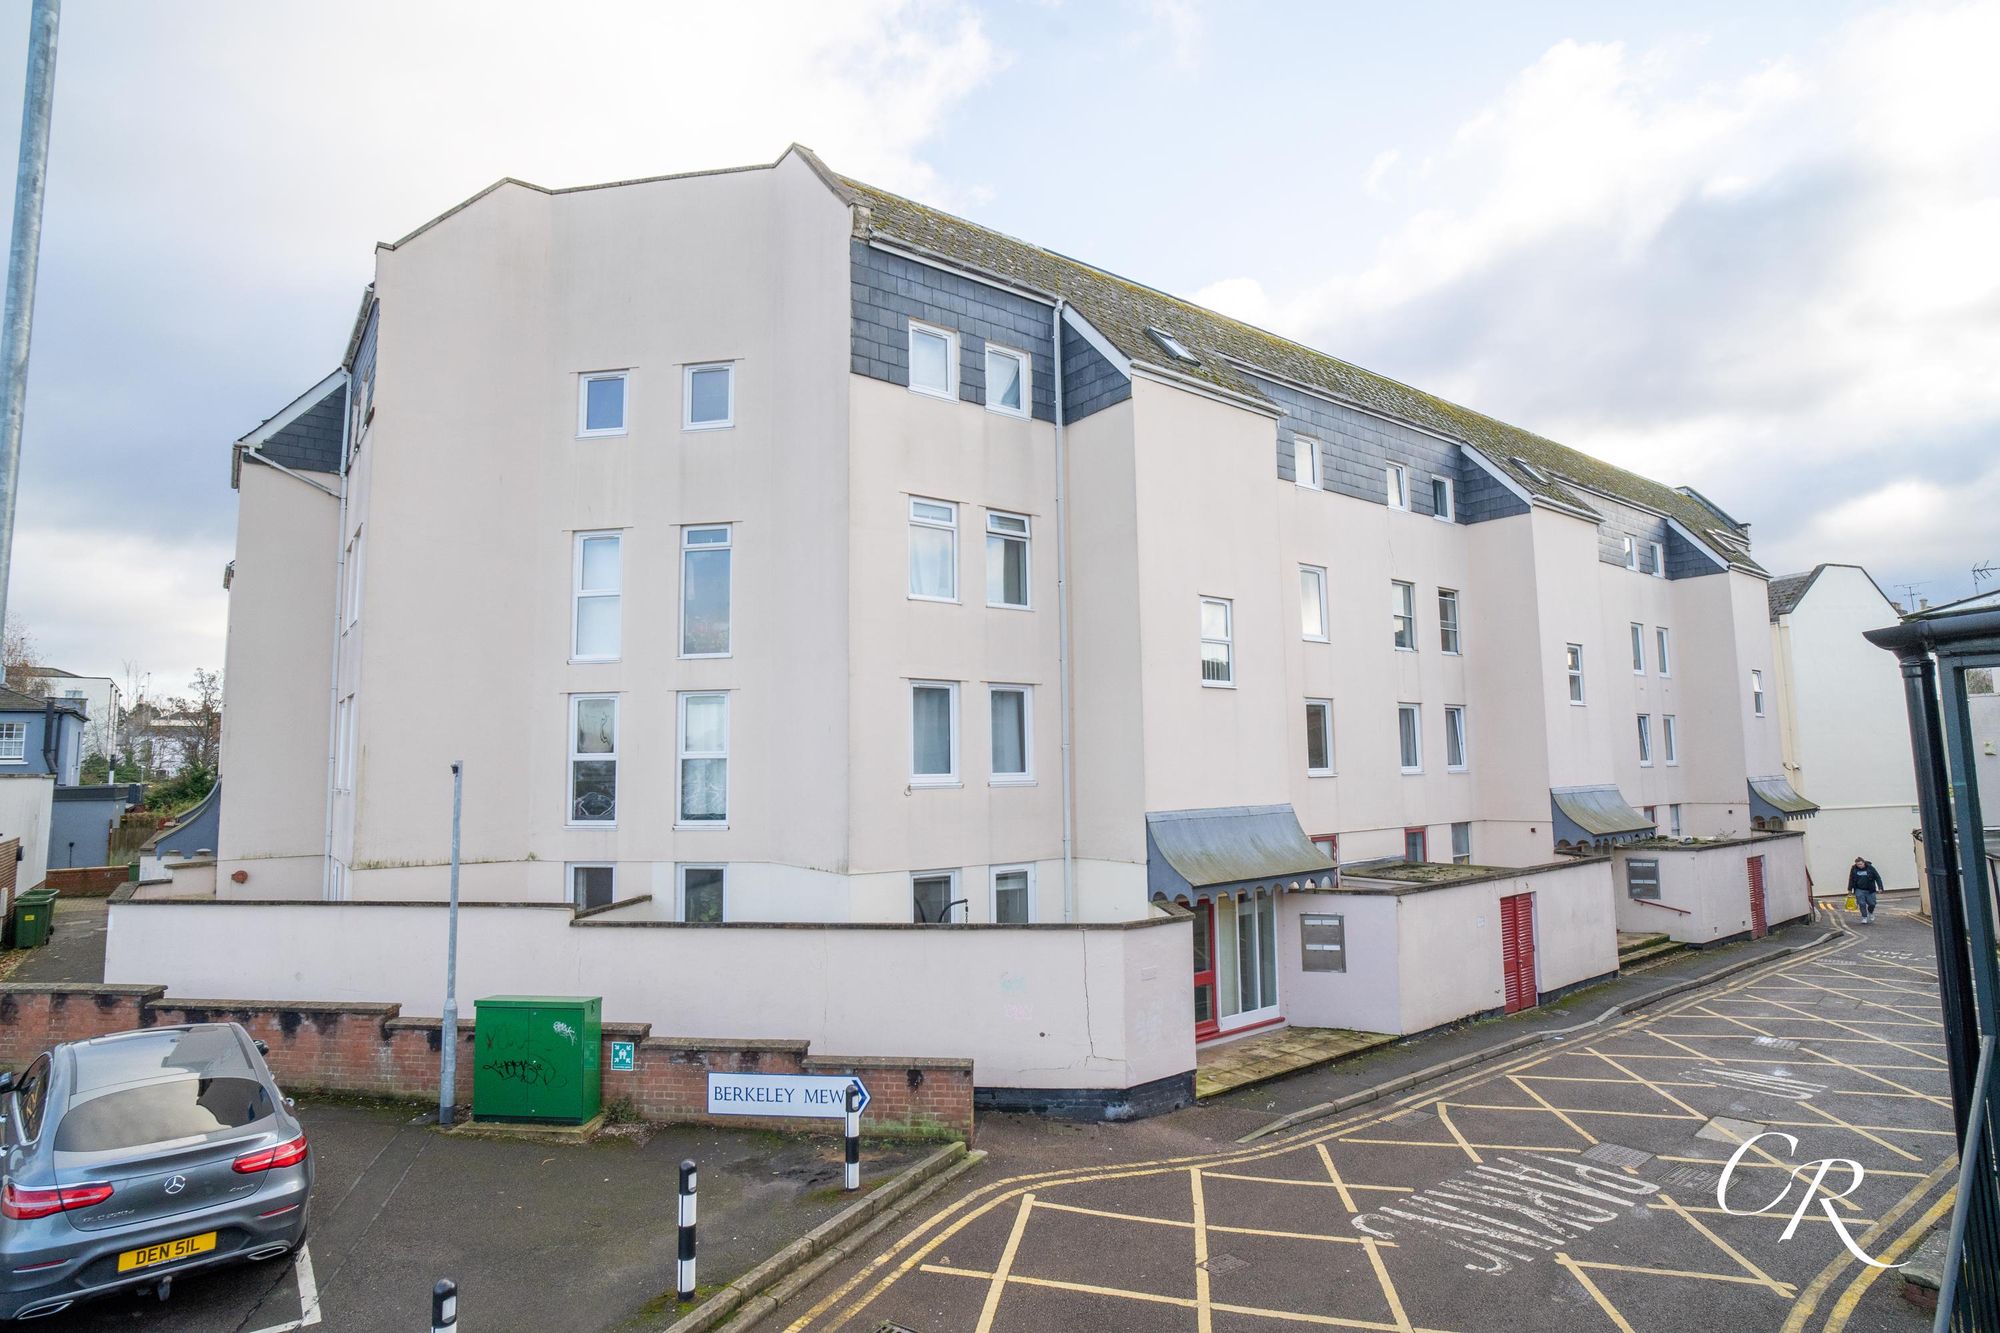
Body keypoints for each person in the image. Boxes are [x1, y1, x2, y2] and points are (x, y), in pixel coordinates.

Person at [1848, 856, 1884, 924]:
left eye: (1861, 864)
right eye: (1858, 864)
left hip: (1870, 890)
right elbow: (1851, 879)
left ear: (1864, 863)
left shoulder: (1870, 868)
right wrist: (1850, 889)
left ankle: (1870, 912)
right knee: (1862, 904)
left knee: (1872, 903)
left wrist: (1880, 887)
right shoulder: (1854, 869)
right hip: (1859, 889)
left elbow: (1877, 877)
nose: (1859, 866)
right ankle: (1864, 917)